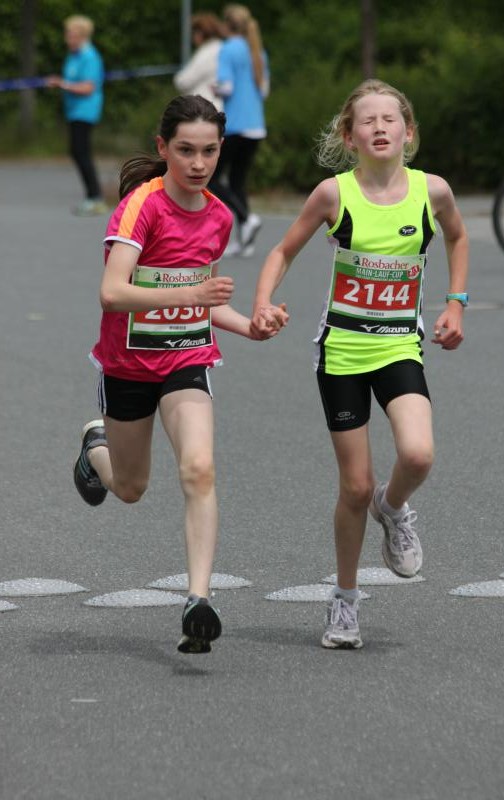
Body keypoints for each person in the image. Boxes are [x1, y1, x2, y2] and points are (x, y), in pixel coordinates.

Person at [251, 79, 468, 650]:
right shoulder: (334, 195)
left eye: (390, 119)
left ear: (408, 133)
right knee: (354, 486)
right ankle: (345, 601)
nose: (379, 127)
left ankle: (392, 509)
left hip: (399, 345)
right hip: (343, 352)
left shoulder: (432, 191)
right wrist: (263, 301)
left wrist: (455, 303)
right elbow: (282, 251)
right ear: (349, 138)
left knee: (418, 455)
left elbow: (458, 237)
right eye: (367, 121)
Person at [73, 95, 284, 654]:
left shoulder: (219, 216)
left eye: (209, 151)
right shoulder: (140, 207)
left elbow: (205, 302)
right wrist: (189, 294)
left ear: (221, 150)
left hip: (187, 357)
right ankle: (95, 446)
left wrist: (249, 326)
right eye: (186, 150)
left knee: (199, 468)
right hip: (128, 364)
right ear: (163, 147)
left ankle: (198, 600)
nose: (198, 163)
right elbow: (112, 293)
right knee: (130, 488)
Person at [209, 4, 269, 257]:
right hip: (256, 126)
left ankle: (246, 217)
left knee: (211, 179)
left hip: (235, 126)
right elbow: (264, 91)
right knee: (237, 181)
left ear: (226, 25)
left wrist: (215, 88)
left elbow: (227, 87)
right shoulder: (257, 50)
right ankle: (245, 241)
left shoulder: (228, 49)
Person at [46, 15, 106, 216]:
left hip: (85, 111)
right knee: (77, 151)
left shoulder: (90, 56)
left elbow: (88, 87)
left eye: (71, 35)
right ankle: (92, 196)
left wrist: (62, 84)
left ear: (82, 35)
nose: (67, 39)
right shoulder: (73, 55)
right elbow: (71, 80)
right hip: (73, 111)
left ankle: (95, 197)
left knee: (81, 151)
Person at [173, 13, 225, 111]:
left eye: (194, 33)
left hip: (205, 108)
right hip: (220, 105)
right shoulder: (223, 47)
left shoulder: (206, 53)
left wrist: (177, 79)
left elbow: (184, 81)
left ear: (201, 33)